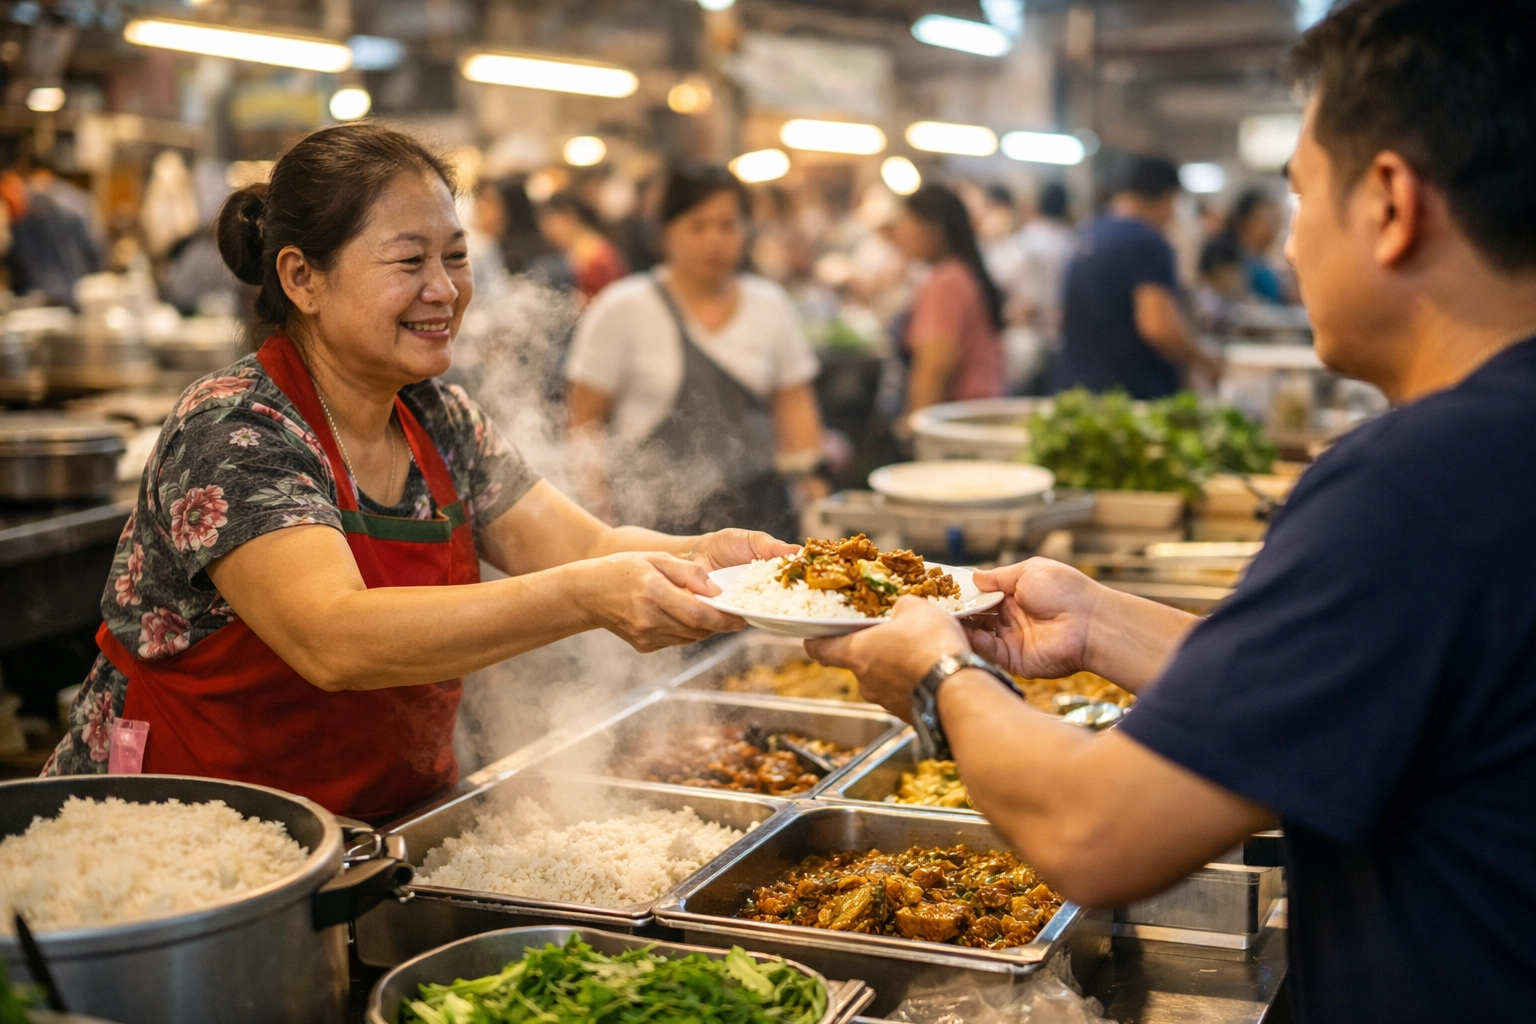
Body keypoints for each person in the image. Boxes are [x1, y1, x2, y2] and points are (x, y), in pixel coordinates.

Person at [807, 1, 1536, 1020]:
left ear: (1388, 200)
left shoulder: (1414, 484)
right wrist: (1100, 621)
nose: (1287, 246)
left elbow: (1095, 833)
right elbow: (1340, 695)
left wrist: (940, 674)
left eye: (1300, 197)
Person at [41, 125, 783, 821]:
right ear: (303, 278)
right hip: (191, 831)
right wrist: (588, 597)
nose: (445, 290)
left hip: (371, 825)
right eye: (409, 261)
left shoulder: (440, 417)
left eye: (455, 257)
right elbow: (333, 638)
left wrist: (709, 560)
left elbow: (585, 549)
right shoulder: (235, 428)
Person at [566, 163, 825, 540]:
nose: (714, 241)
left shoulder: (769, 304)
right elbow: (584, 426)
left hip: (760, 519)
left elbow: (796, 407)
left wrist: (812, 496)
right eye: (697, 226)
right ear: (664, 232)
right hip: (653, 526)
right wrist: (598, 519)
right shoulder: (622, 307)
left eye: (727, 225)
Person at [1055, 156, 1221, 398]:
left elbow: (1061, 318)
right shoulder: (1148, 242)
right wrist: (1204, 360)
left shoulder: (1089, 232)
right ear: (1168, 197)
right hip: (1128, 397)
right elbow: (1157, 327)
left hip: (1075, 389)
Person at [890, 184, 1008, 423]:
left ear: (935, 229)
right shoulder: (962, 272)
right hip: (980, 415)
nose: (901, 234)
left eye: (907, 223)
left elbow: (934, 369)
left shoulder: (945, 282)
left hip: (960, 424)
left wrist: (915, 427)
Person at [537, 190, 628, 299]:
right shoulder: (582, 251)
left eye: (550, 223)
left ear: (569, 215)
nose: (547, 232)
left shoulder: (595, 255)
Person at [1225, 188, 1292, 303]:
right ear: (1244, 221)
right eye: (1265, 221)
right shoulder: (1225, 254)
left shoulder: (1263, 259)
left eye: (1275, 222)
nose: (1271, 229)